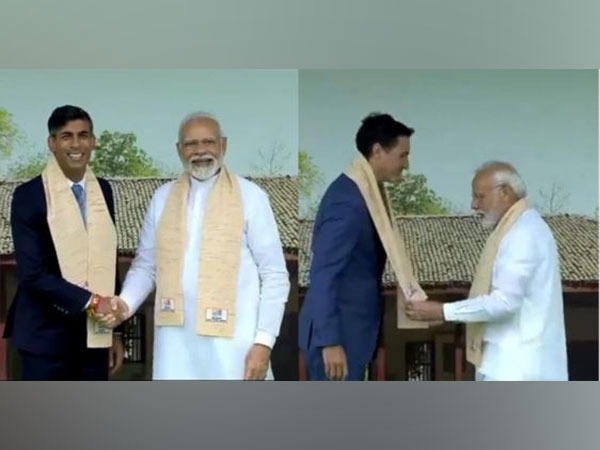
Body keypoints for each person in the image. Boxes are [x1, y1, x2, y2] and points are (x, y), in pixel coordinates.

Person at [99, 111, 290, 380]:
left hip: (235, 348)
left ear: (223, 145)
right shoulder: (162, 198)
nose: (200, 151)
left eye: (208, 142)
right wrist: (125, 304)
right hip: (176, 347)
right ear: (179, 150)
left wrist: (264, 342)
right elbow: (146, 266)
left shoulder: (251, 197)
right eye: (191, 144)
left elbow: (275, 275)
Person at [405, 161, 569, 381]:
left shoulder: (522, 233)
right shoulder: (519, 229)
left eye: (479, 196)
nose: (473, 205)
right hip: (512, 365)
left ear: (505, 192)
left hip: (517, 367)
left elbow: (504, 302)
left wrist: (442, 311)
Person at [298, 112, 429, 381]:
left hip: (351, 334)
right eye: (403, 155)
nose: (407, 164)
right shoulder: (347, 201)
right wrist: (330, 341)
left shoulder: (366, 195)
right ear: (378, 151)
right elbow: (324, 273)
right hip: (337, 340)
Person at [3, 105, 125, 380]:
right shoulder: (29, 195)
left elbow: (107, 260)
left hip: (94, 336)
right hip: (44, 337)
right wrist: (93, 302)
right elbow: (32, 273)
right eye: (66, 136)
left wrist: (114, 331)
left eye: (83, 135)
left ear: (93, 142)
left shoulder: (104, 191)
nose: (76, 144)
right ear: (52, 143)